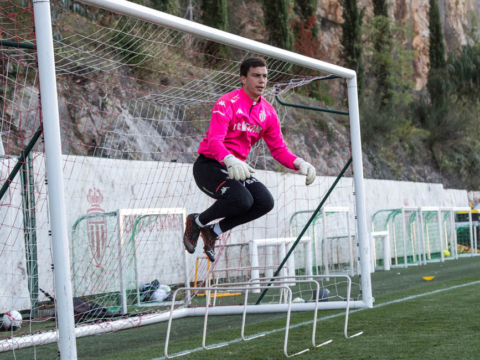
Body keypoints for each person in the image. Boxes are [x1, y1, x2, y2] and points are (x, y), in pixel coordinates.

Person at [183, 57, 316, 262]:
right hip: (209, 166)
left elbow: (279, 150)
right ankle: (196, 222)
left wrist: (300, 163)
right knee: (243, 200)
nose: (262, 81)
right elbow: (214, 141)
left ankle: (213, 231)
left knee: (264, 202)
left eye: (264, 76)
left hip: (238, 168)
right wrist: (229, 159)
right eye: (256, 75)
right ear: (243, 78)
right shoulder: (226, 103)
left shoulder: (268, 113)